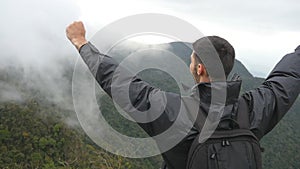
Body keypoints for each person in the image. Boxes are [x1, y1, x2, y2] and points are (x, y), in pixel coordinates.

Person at [66, 21, 300, 169]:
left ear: (199, 69)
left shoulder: (170, 111)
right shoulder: (253, 110)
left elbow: (118, 81)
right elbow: (286, 79)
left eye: (191, 59)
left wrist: (81, 43)